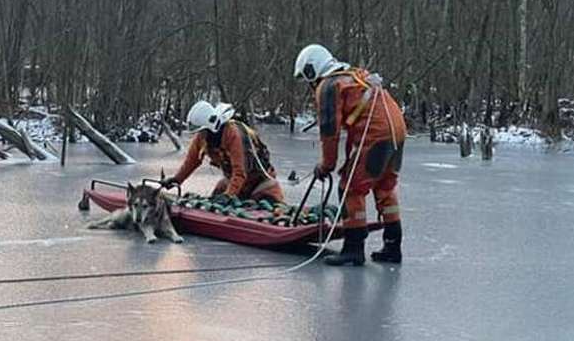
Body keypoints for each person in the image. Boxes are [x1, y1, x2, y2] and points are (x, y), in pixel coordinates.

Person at [293, 44, 407, 265]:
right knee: (384, 186)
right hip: (397, 130)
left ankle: (353, 249)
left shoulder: (328, 86)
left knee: (350, 189)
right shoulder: (354, 76)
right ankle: (393, 247)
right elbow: (356, 129)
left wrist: (326, 165)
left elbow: (329, 131)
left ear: (312, 71)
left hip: (376, 133)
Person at [161, 101, 284, 203]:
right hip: (233, 181)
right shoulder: (201, 137)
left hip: (260, 183)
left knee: (266, 202)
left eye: (202, 131)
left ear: (211, 127)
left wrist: (229, 196)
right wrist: (176, 180)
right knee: (218, 192)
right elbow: (191, 161)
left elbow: (240, 172)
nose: (200, 134)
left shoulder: (233, 135)